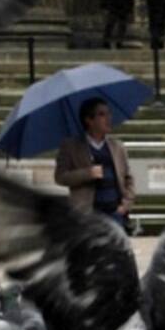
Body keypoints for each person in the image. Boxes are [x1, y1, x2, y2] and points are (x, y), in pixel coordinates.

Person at [54, 97, 136, 230]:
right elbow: (60, 177)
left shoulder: (117, 146)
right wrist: (88, 173)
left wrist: (125, 205)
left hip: (115, 214)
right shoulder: (70, 146)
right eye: (102, 114)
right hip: (87, 216)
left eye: (109, 113)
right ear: (89, 120)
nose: (109, 118)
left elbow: (129, 179)